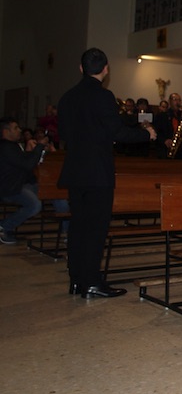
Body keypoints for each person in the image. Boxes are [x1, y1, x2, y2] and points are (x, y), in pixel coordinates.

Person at [57, 48, 156, 298]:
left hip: (75, 171)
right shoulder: (103, 96)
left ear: (81, 68)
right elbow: (117, 132)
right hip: (97, 173)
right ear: (106, 69)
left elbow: (65, 134)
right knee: (96, 230)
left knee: (78, 227)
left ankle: (76, 280)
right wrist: (146, 134)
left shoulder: (67, 97)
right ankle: (91, 282)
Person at [0, 118, 46, 245]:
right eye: (15, 128)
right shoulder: (5, 148)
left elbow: (23, 161)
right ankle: (4, 226)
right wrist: (39, 146)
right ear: (6, 132)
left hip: (20, 184)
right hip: (10, 188)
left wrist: (30, 151)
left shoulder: (13, 146)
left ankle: (66, 230)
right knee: (34, 205)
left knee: (51, 191)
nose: (19, 130)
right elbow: (27, 164)